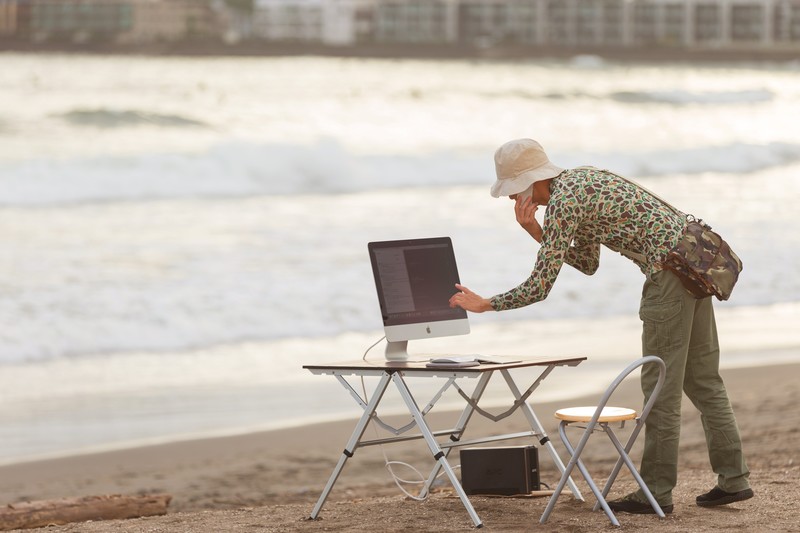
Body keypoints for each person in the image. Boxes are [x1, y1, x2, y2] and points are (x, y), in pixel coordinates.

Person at [448, 138, 753, 514]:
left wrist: (488, 304)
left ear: (530, 181)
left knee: (660, 389)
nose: (514, 201)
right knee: (704, 380)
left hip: (669, 277)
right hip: (692, 264)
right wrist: (536, 231)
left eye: (513, 192)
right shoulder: (581, 179)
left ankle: (654, 491)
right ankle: (734, 478)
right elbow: (588, 263)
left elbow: (540, 286)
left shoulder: (562, 203)